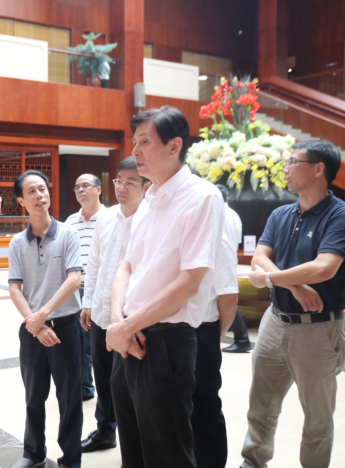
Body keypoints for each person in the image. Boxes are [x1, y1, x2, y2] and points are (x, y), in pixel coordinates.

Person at [106, 106, 224, 468]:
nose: (135, 151)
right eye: (135, 141)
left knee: (166, 453)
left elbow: (189, 282)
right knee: (133, 448)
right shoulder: (149, 198)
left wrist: (127, 326)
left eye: (145, 142)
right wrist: (119, 322)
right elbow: (127, 266)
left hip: (165, 342)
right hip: (129, 336)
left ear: (174, 146)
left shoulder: (202, 197)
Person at [241, 140, 345, 468]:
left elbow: (324, 267)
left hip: (318, 329)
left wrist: (271, 278)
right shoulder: (281, 214)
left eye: (293, 162)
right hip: (275, 321)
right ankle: (253, 461)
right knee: (260, 405)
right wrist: (293, 284)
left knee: (317, 417)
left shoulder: (342, 216)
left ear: (318, 169)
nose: (285, 169)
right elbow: (259, 257)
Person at [9, 170, 84, 468]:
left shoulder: (68, 234)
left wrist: (43, 314)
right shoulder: (17, 242)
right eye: (32, 191)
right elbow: (14, 288)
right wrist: (35, 323)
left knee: (69, 399)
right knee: (33, 396)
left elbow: (74, 279)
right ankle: (33, 453)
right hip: (32, 330)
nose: (40, 195)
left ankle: (71, 460)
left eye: (42, 189)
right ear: (21, 201)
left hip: (65, 327)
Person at [80, 157, 149, 453]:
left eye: (131, 182)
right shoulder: (105, 218)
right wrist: (88, 302)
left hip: (132, 318)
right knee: (104, 378)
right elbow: (94, 263)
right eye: (119, 181)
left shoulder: (151, 219)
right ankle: (105, 430)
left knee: (132, 383)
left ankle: (138, 440)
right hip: (101, 313)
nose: (122, 187)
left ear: (146, 186)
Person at [192, 230, 239, 468]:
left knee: (204, 405)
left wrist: (215, 335)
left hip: (202, 330)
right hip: (168, 330)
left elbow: (229, 297)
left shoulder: (216, 237)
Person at [65, 173, 106, 402]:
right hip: (75, 289)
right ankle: (84, 387)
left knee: (96, 342)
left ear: (98, 189)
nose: (80, 190)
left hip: (101, 290)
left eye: (86, 186)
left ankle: (106, 390)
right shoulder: (71, 222)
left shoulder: (111, 218)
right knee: (79, 341)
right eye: (77, 187)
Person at [215, 184, 251, 353]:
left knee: (224, 299)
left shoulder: (216, 212)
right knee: (226, 298)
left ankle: (242, 339)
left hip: (219, 262)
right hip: (229, 260)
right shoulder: (234, 214)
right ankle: (241, 339)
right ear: (227, 198)